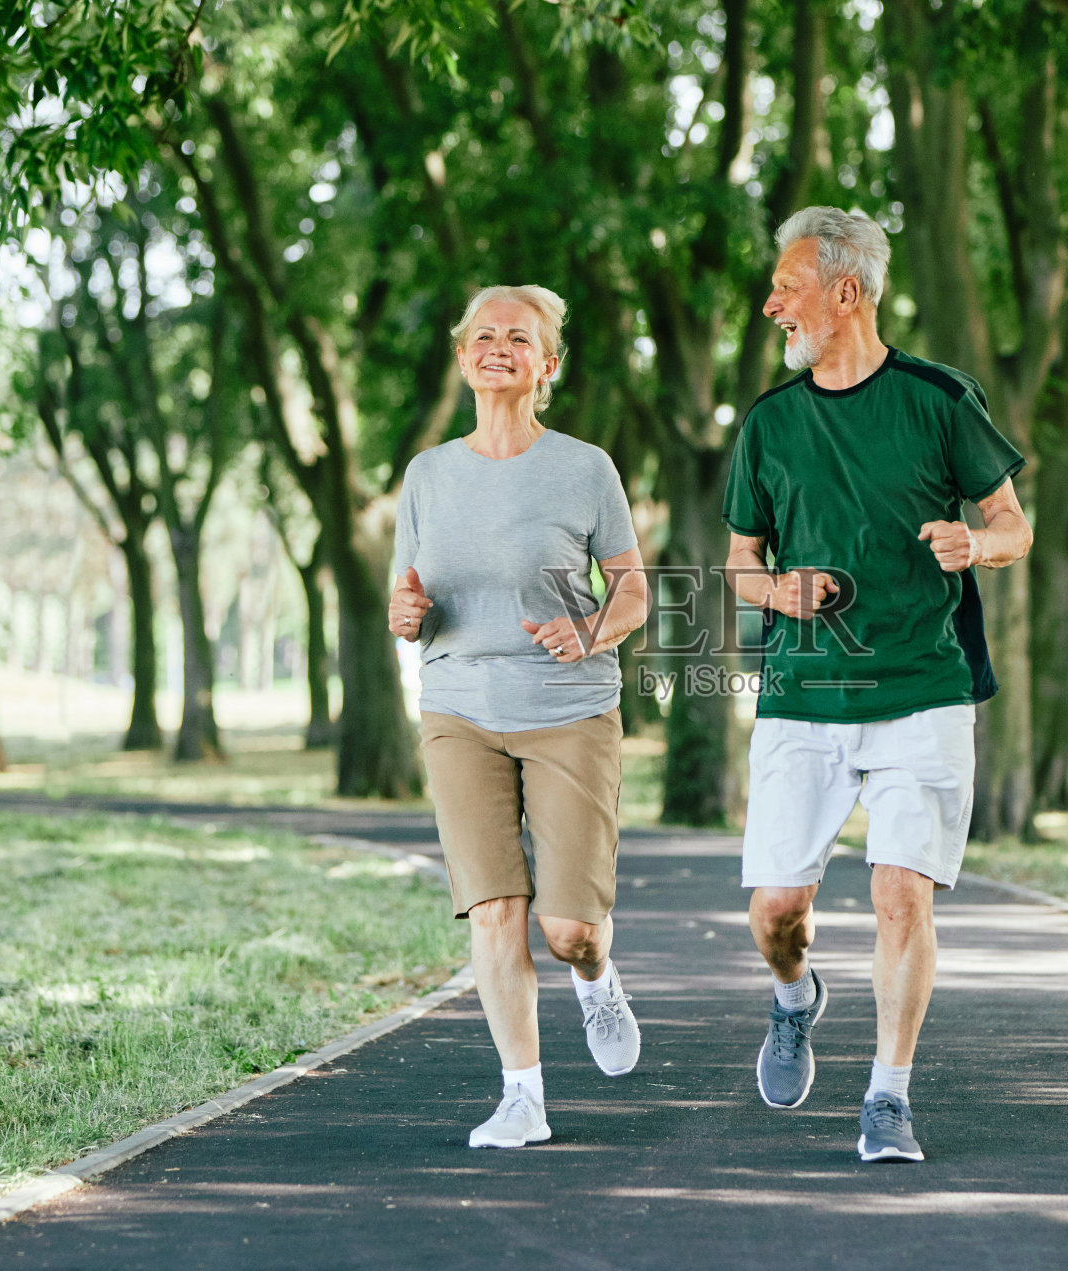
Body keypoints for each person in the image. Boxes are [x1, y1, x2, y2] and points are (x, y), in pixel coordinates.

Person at [721, 207, 1032, 1163]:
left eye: (789, 285)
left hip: (922, 692)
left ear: (844, 292)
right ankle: (793, 996)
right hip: (803, 696)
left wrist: (975, 542)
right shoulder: (769, 424)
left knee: (902, 893)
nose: (772, 302)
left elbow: (1014, 524)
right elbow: (738, 562)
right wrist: (779, 591)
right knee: (777, 909)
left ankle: (887, 1096)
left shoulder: (940, 399)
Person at [389, 284, 651, 1149]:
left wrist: (590, 627)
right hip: (459, 705)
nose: (499, 347)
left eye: (520, 337)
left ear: (548, 366)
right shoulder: (427, 474)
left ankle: (596, 974)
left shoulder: (585, 467)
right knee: (496, 908)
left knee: (568, 926)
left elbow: (635, 590)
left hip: (570, 709)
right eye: (485, 335)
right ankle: (522, 1097)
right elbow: (411, 593)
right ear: (464, 356)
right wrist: (405, 613)